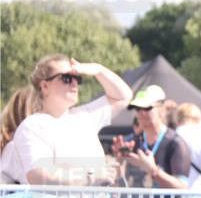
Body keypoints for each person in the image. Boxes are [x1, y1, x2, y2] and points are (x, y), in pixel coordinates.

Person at [0, 54, 132, 185]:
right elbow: (38, 176)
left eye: (77, 78)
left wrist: (98, 70)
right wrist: (90, 178)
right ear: (45, 86)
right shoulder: (33, 126)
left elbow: (124, 96)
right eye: (67, 78)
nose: (74, 83)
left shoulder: (86, 116)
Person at [112, 85, 191, 189]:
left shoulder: (175, 143)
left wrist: (153, 170)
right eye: (137, 108)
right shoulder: (134, 142)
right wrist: (121, 161)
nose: (141, 113)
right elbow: (122, 186)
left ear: (162, 110)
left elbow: (182, 187)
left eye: (147, 108)